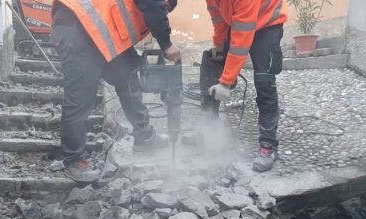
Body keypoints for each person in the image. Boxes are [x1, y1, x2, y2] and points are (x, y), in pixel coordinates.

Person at [51, 0, 181, 182]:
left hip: (102, 32)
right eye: (165, 9)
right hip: (78, 26)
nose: (163, 12)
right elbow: (153, 5)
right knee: (80, 97)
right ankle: (73, 160)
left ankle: (144, 135)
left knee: (129, 74)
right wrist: (166, 44)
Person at [206, 0, 288, 172]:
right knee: (212, 62)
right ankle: (208, 127)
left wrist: (226, 82)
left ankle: (268, 145)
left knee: (264, 81)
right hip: (238, 20)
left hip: (267, 23)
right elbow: (217, 16)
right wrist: (218, 43)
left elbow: (241, 41)